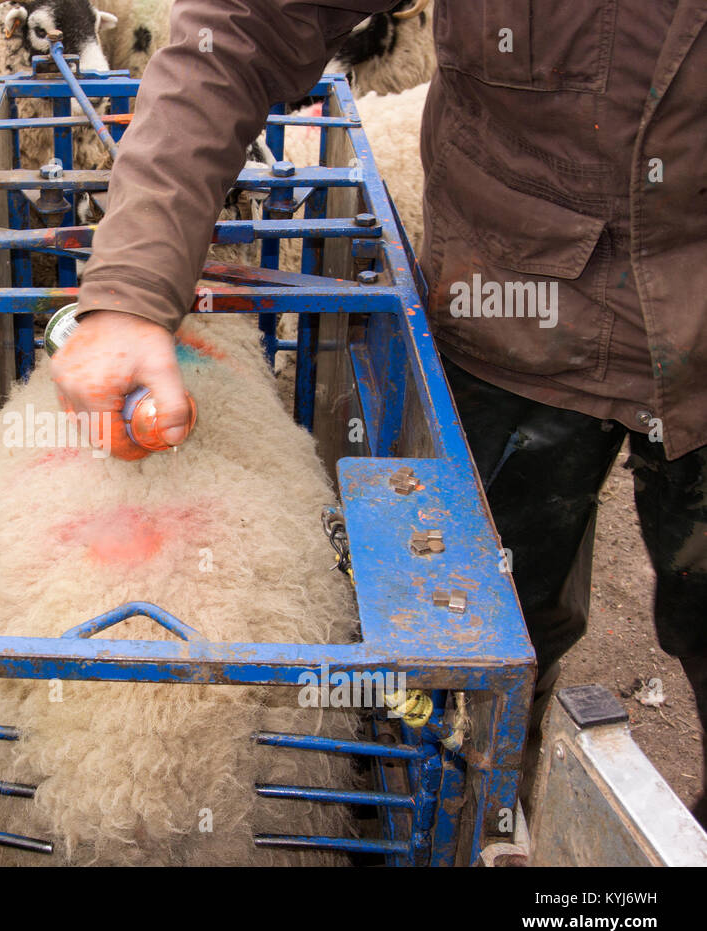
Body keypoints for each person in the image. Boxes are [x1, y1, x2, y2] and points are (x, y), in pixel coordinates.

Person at [52, 0, 707, 821]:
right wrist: (133, 286)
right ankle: (464, 814)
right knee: (466, 652)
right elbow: (244, 26)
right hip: (520, 313)